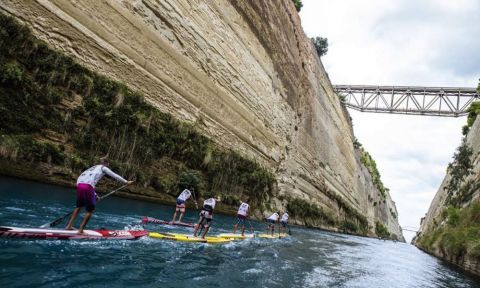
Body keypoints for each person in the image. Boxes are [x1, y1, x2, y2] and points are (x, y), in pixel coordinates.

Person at [65, 157, 133, 233]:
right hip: (88, 187)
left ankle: (69, 226)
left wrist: (95, 195)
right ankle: (80, 230)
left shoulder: (93, 168)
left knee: (79, 207)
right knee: (90, 210)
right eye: (108, 164)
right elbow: (115, 175)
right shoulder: (103, 168)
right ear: (106, 163)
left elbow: (85, 180)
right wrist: (126, 182)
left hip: (79, 185)